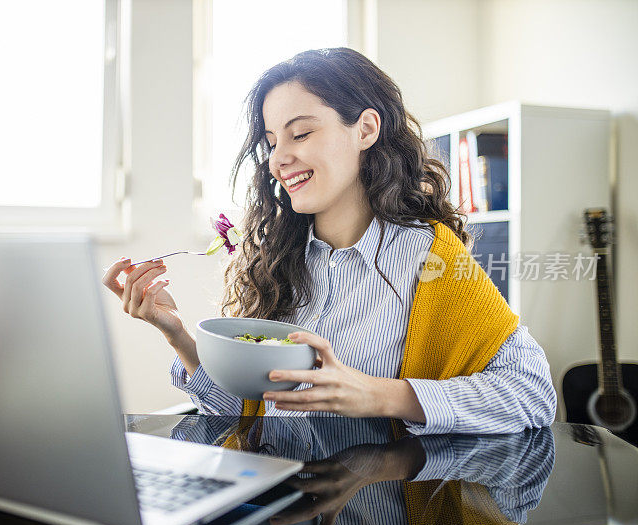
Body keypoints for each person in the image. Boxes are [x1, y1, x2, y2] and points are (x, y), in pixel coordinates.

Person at [103, 47, 556, 434]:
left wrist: (381, 396)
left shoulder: (429, 256)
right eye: (271, 142)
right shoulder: (275, 259)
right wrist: (178, 334)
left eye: (301, 133)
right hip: (283, 503)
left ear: (365, 129)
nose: (280, 158)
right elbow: (245, 415)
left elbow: (532, 394)